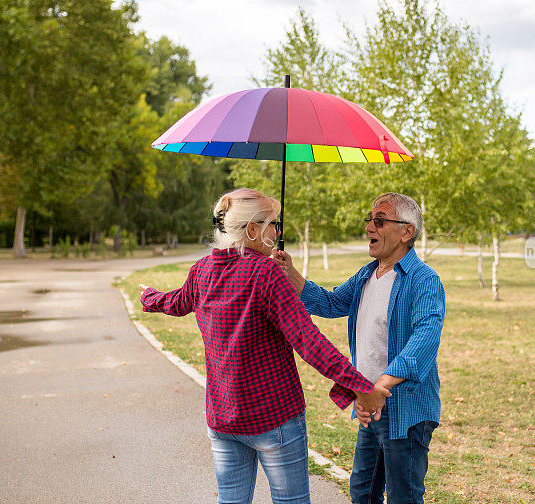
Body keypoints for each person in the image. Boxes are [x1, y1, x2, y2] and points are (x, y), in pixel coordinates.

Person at [139, 188, 389, 504]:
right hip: (273, 417)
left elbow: (176, 301)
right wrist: (359, 386)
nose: (277, 231)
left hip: (223, 416)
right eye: (274, 223)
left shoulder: (201, 270)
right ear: (253, 230)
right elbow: (307, 339)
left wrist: (150, 297)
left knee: (231, 500)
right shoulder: (265, 273)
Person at [273, 192, 445, 504]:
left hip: (403, 407)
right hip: (369, 402)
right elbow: (330, 302)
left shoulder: (424, 280)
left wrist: (380, 387)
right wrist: (291, 274)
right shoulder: (367, 275)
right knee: (362, 493)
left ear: (407, 232)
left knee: (403, 497)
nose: (369, 227)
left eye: (379, 221)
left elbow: (425, 340)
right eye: (369, 219)